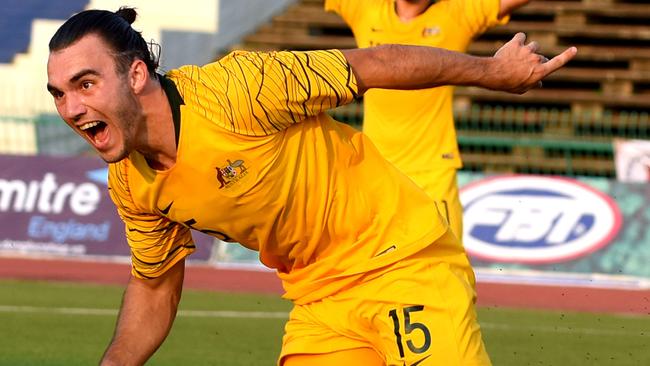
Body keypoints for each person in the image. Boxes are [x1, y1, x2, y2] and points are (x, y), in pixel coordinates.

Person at [46, 7, 575, 366]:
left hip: (401, 261)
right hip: (320, 302)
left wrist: (491, 70)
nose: (71, 109)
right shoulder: (129, 183)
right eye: (59, 94)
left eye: (85, 84)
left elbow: (373, 65)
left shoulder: (237, 91)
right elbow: (156, 283)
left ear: (136, 75)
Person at [326, 0, 532, 245]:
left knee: (446, 271)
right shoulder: (365, 8)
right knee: (374, 275)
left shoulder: (455, 14)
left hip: (432, 173)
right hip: (375, 171)